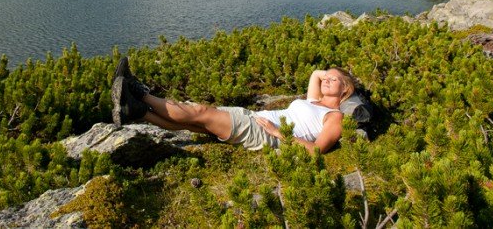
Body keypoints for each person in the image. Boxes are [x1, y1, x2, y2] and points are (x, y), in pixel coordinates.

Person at [111, 57, 355, 154]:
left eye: (335, 80)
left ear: (345, 89)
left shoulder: (334, 116)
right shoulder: (314, 99)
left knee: (199, 112)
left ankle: (137, 92)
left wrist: (277, 132)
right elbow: (315, 73)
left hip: (265, 132)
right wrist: (334, 75)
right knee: (194, 122)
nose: (327, 80)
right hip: (253, 117)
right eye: (328, 77)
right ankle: (135, 111)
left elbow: (317, 152)